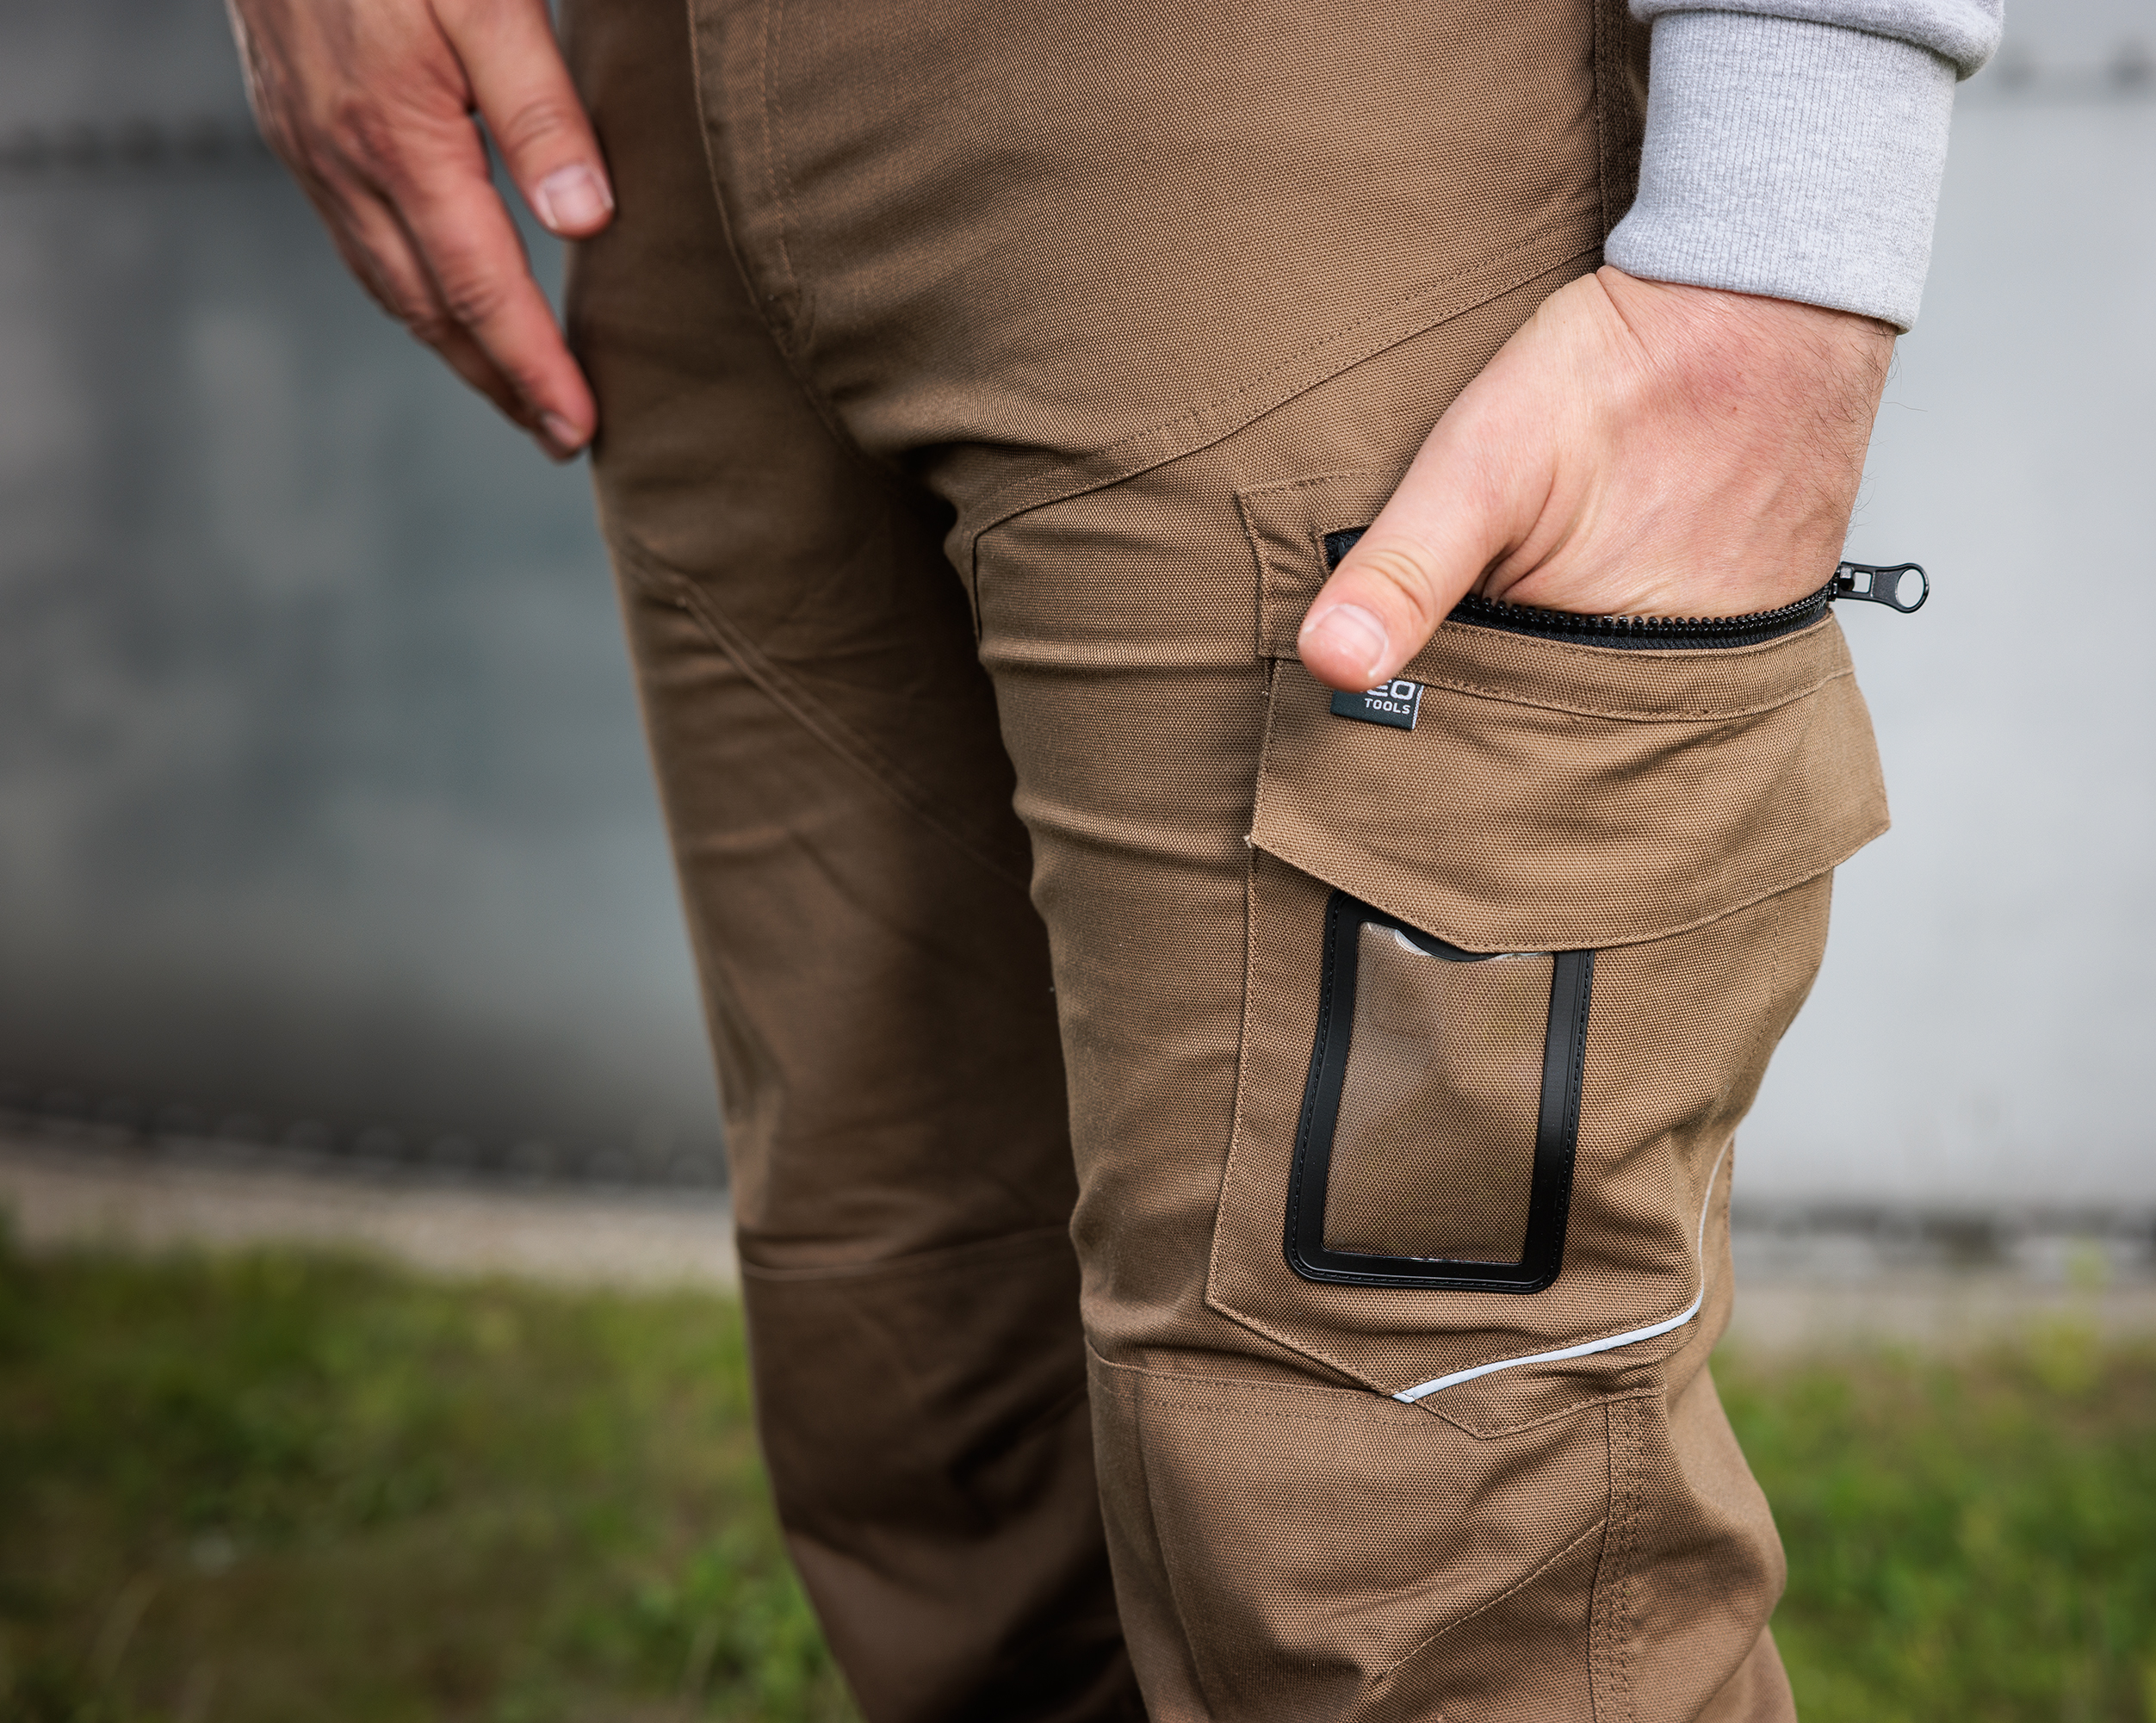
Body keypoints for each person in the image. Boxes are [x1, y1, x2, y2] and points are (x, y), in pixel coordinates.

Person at [226, 0, 1999, 1714]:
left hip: (1303, 112)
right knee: (940, 1446)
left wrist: (1790, 226)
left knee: (1405, 1540)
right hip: (659, 124)